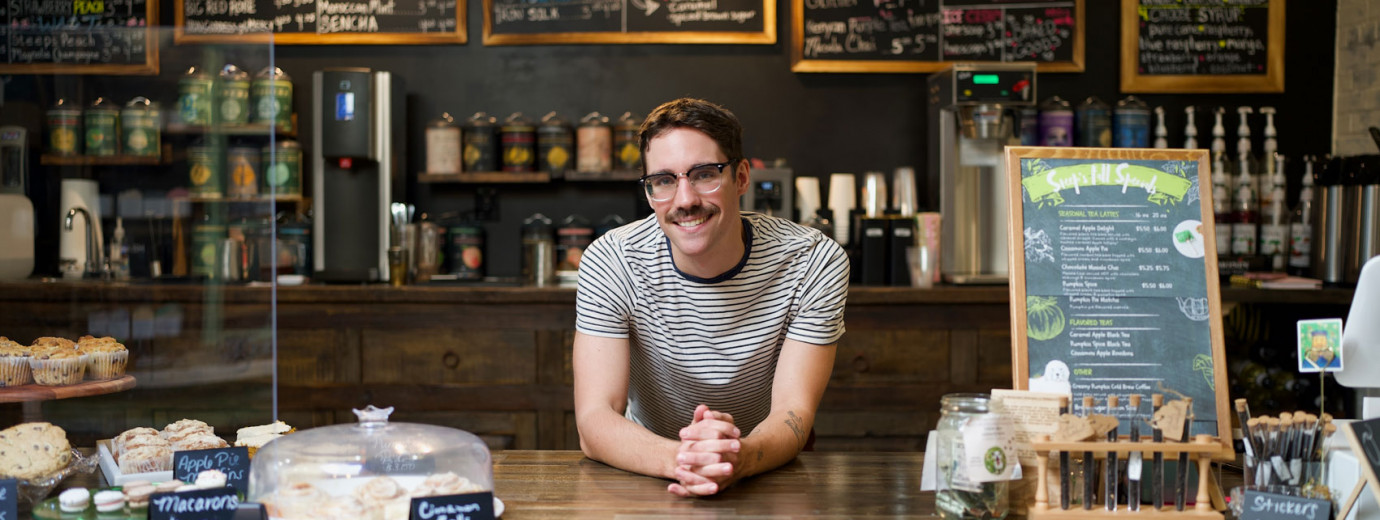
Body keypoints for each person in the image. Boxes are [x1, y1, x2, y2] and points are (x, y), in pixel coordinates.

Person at [572, 98, 849, 497]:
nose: (684, 200)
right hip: (641, 465)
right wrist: (687, 462)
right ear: (649, 190)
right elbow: (595, 419)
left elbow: (794, 411)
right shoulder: (611, 259)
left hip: (764, 467)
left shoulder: (813, 260)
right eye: (664, 180)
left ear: (740, 177)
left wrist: (739, 459)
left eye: (704, 174)